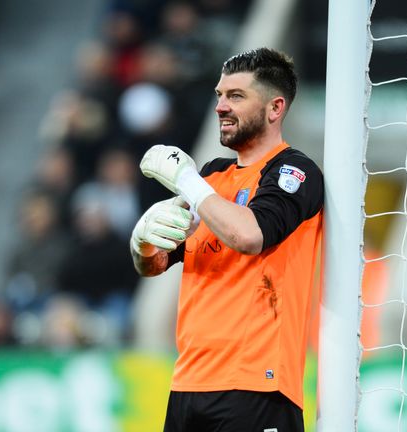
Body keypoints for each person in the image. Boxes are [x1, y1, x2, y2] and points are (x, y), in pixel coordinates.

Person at [130, 47, 323, 432]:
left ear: (274, 108)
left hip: (257, 386)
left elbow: (250, 234)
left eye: (236, 96)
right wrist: (142, 242)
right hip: (188, 385)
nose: (221, 106)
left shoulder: (294, 171)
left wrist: (187, 181)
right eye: (219, 95)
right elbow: (156, 264)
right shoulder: (212, 177)